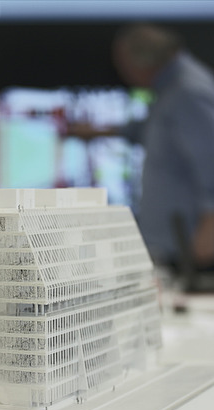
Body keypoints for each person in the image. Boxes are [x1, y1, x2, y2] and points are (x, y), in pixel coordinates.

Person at [66, 24, 214, 271]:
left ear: (141, 62)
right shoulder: (172, 87)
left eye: (121, 64)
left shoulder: (189, 92)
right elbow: (153, 129)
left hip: (194, 252)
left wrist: (210, 226)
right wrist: (98, 132)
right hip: (176, 248)